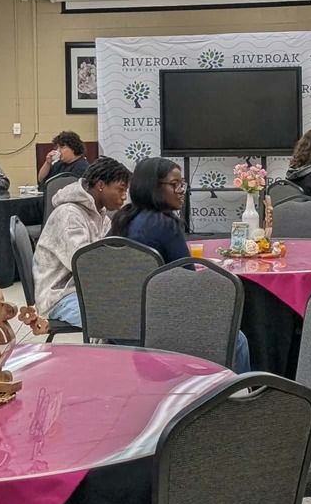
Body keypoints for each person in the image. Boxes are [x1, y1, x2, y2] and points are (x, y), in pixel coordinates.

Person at [110, 157, 251, 373]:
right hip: (161, 328)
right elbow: (188, 283)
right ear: (154, 188)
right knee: (237, 338)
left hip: (118, 327)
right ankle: (239, 404)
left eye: (181, 184)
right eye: (174, 184)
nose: (181, 190)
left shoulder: (122, 219)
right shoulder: (165, 225)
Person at [33, 157, 130, 327]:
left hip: (85, 291)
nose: (124, 197)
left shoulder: (100, 215)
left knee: (133, 309)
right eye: (120, 190)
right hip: (59, 297)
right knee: (121, 319)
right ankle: (109, 351)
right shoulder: (69, 215)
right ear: (100, 185)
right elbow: (85, 265)